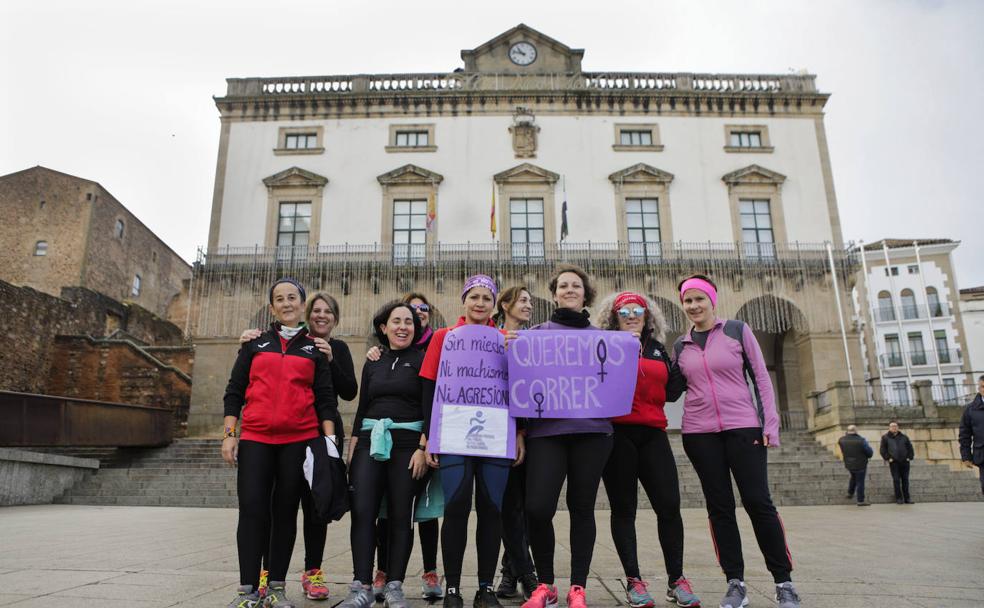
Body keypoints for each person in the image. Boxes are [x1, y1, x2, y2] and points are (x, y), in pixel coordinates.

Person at [670, 274, 800, 608]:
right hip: (699, 434)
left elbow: (761, 378)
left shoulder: (737, 330)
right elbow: (671, 391)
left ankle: (784, 582)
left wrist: (770, 423)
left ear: (712, 300)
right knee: (720, 508)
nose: (693, 306)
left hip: (743, 428)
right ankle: (735, 582)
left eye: (699, 299)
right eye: (688, 301)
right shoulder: (681, 346)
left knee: (758, 502)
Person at [222, 278, 338, 608]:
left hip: (298, 441)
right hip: (256, 439)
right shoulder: (254, 344)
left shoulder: (314, 349)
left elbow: (325, 400)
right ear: (272, 307)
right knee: (252, 511)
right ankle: (247, 591)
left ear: (302, 304)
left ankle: (276, 588)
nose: (287, 303)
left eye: (292, 298)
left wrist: (329, 444)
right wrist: (230, 435)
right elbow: (234, 391)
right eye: (279, 299)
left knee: (285, 513)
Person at [240, 292, 358, 601]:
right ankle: (267, 573)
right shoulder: (286, 343)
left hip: (322, 434)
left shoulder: (337, 348)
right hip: (288, 434)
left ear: (335, 319)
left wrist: (331, 359)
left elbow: (349, 391)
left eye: (328, 312)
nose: (322, 316)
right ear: (307, 314)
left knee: (317, 507)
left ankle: (313, 571)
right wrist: (249, 339)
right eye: (316, 310)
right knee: (279, 504)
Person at [419, 275, 526, 608]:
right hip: (453, 433)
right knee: (456, 507)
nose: (480, 303)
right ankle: (452, 588)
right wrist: (429, 436)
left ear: (495, 305)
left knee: (492, 509)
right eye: (474, 297)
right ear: (463, 300)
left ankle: (485, 588)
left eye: (486, 298)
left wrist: (520, 433)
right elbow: (428, 387)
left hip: (497, 434)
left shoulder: (506, 339)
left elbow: (520, 390)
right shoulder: (443, 336)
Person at [514, 264, 613, 608]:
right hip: (547, 432)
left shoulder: (605, 338)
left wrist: (630, 350)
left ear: (586, 294)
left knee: (582, 508)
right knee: (538, 508)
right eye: (563, 286)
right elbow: (520, 381)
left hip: (592, 432)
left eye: (576, 286)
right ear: (554, 294)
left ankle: (578, 587)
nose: (569, 290)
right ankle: (546, 584)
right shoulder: (536, 335)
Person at [594, 291, 701, 608]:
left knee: (669, 506)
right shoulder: (604, 346)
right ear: (614, 317)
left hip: (654, 433)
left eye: (637, 310)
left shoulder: (657, 348)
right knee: (624, 509)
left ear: (647, 315)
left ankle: (676, 580)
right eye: (624, 311)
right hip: (618, 434)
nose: (631, 315)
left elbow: (670, 392)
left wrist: (682, 365)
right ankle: (634, 581)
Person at [337, 301, 431, 608]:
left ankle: (394, 586)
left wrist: (423, 447)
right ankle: (361, 586)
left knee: (402, 516)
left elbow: (430, 407)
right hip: (370, 442)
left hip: (408, 446)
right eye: (396, 321)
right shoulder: (373, 361)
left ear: (416, 328)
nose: (403, 327)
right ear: (383, 327)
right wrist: (353, 446)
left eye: (409, 322)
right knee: (363, 511)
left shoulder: (423, 360)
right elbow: (363, 406)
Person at [370, 292, 443, 601]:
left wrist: (426, 442)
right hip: (388, 441)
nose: (417, 313)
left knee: (423, 512)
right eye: (411, 310)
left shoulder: (436, 346)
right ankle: (383, 570)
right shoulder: (385, 352)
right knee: (386, 510)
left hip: (419, 441)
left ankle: (429, 570)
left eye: (421, 309)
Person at [491, 286, 538, 600]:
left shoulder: (533, 340)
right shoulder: (489, 339)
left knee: (530, 507)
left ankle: (510, 573)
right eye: (523, 301)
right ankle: (526, 573)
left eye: (530, 301)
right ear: (505, 305)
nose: (529, 305)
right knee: (510, 506)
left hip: (532, 430)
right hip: (498, 429)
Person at [958, 375, 984, 496]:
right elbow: (965, 435)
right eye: (983, 386)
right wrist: (966, 456)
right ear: (979, 388)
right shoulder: (970, 410)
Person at [880, 421, 915, 504]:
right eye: (892, 426)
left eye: (895, 426)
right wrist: (888, 458)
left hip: (905, 462)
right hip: (894, 462)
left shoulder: (904, 437)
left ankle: (907, 498)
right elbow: (883, 450)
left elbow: (910, 448)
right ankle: (899, 498)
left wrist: (909, 457)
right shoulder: (885, 437)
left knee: (905, 480)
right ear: (889, 428)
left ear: (898, 427)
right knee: (896, 480)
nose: (894, 427)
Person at [837, 425, 873, 507]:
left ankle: (850, 492)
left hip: (849, 463)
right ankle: (860, 500)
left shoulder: (841, 440)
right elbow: (869, 452)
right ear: (856, 431)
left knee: (853, 476)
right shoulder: (861, 440)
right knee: (860, 481)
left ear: (847, 431)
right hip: (860, 464)